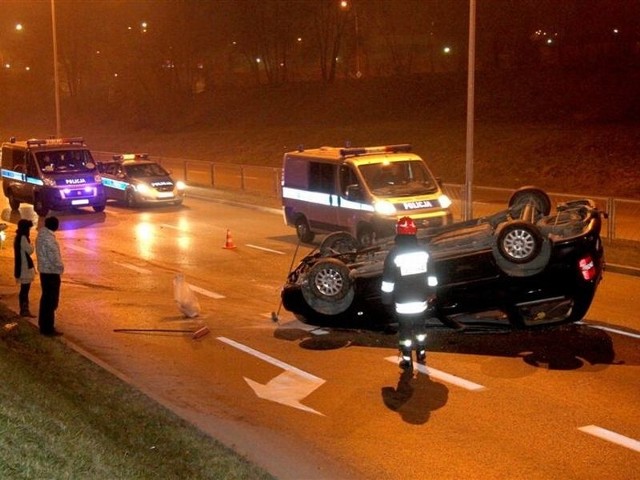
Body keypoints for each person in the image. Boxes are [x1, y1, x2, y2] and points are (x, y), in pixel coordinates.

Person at [381, 216, 438, 371]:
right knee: (420, 328)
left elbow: (388, 281)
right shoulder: (424, 252)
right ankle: (421, 353)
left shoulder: (394, 254)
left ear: (398, 232)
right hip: (421, 300)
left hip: (403, 301)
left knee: (405, 330)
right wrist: (432, 292)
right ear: (414, 232)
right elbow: (432, 276)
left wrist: (386, 300)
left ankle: (407, 359)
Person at [35, 216, 64, 336]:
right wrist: (60, 267)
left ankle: (43, 325)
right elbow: (54, 257)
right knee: (51, 301)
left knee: (45, 299)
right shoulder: (49, 239)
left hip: (44, 271)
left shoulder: (41, 236)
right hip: (51, 272)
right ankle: (48, 328)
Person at [13, 219, 37, 317]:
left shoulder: (18, 237)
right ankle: (24, 309)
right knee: (25, 290)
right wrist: (32, 245)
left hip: (22, 267)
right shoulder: (23, 238)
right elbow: (30, 250)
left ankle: (24, 309)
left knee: (24, 290)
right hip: (24, 268)